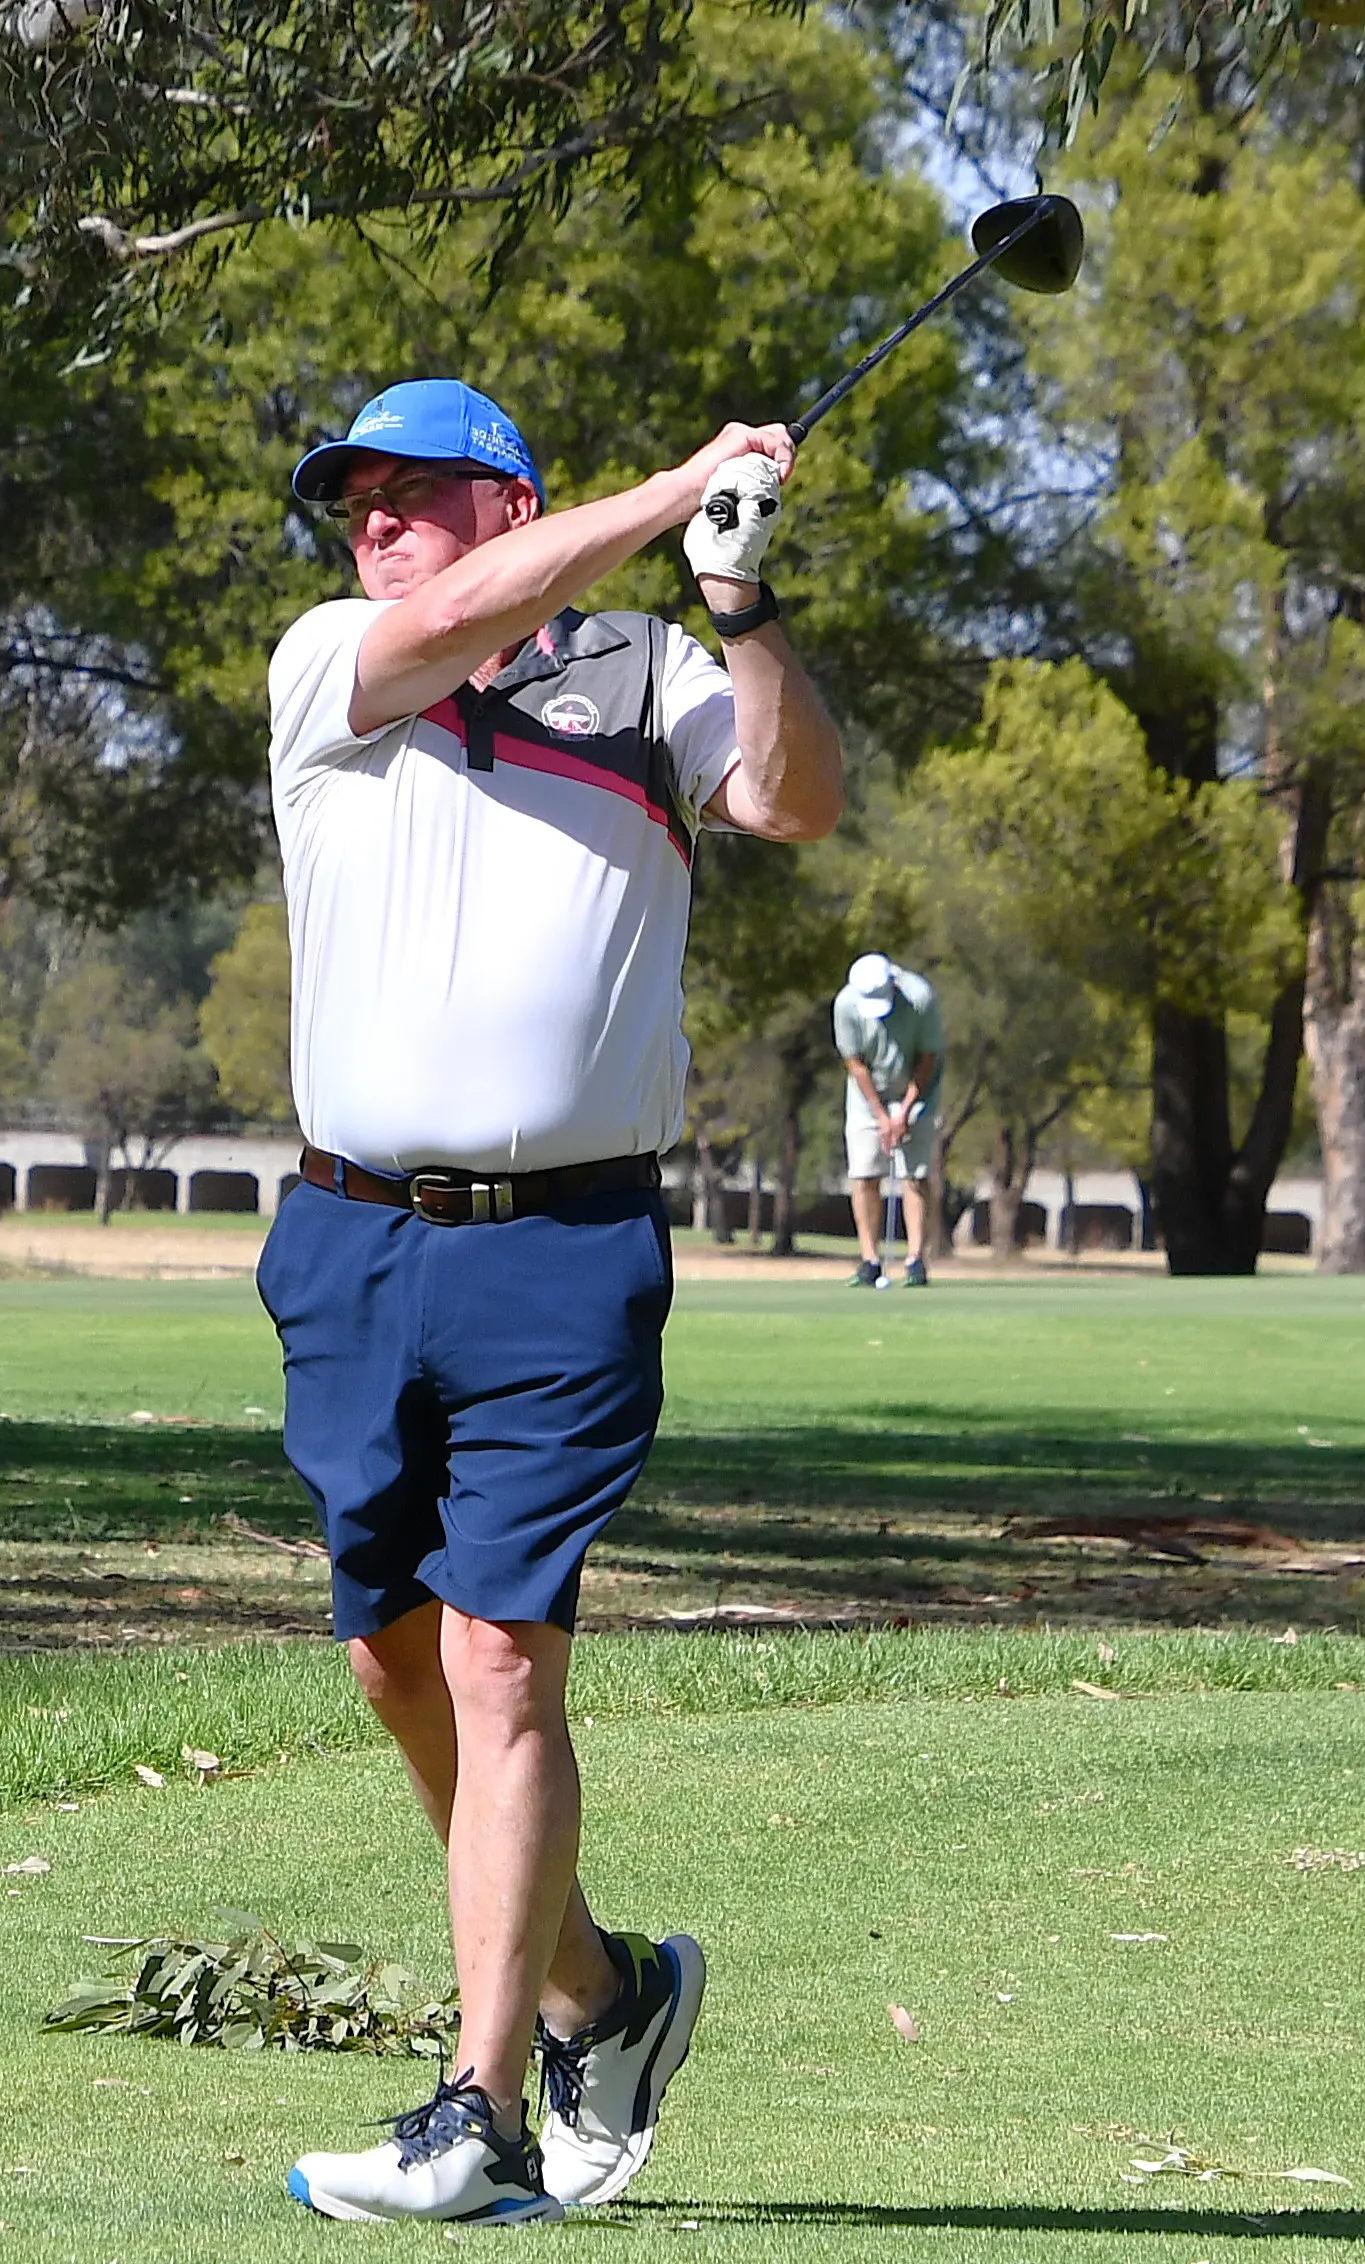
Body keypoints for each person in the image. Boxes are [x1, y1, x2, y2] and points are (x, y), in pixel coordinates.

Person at [260, 379, 843, 2225]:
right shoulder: (334, 657)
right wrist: (681, 476)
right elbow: (441, 625)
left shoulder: (647, 671)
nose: (369, 522)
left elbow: (795, 801)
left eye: (405, 492)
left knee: (502, 1652)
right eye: (348, 497)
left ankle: (478, 2108)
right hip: (349, 1243)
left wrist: (740, 606)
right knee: (393, 1659)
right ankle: (605, 1988)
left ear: (503, 495)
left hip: (561, 1248)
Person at [832, 951, 943, 1289]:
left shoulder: (920, 997)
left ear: (894, 985)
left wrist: (905, 1111)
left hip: (917, 1088)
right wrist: (881, 1115)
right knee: (864, 1173)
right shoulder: (846, 1004)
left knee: (915, 1174)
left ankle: (915, 1260)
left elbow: (929, 1057)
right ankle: (869, 1260)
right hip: (868, 1094)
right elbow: (855, 1063)